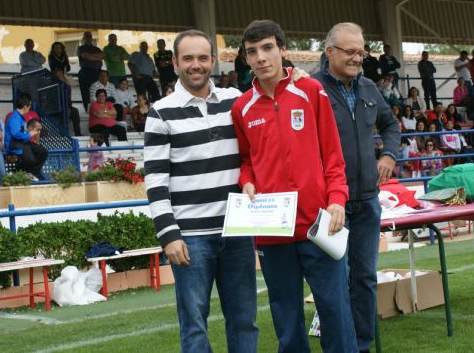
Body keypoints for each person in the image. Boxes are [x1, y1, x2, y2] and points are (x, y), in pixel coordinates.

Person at [233, 20, 357, 352]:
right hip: (272, 229)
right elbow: (246, 161)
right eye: (252, 52)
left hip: (319, 224)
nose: (261, 58)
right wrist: (246, 183)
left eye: (268, 48)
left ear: (282, 50)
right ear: (246, 59)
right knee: (286, 318)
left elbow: (333, 155)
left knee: (335, 312)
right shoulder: (241, 108)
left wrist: (337, 200)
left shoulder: (311, 91)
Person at [144, 29, 258, 352]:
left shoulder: (235, 100)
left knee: (244, 320)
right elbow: (155, 181)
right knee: (194, 326)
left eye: (203, 58)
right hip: (190, 238)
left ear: (213, 61)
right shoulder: (160, 112)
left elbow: (269, 97)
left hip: (237, 231)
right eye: (189, 58)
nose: (197, 65)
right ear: (175, 63)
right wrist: (169, 235)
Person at [314, 22, 400, 353]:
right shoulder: (311, 89)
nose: (356, 58)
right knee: (333, 281)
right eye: (349, 52)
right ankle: (337, 345)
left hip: (366, 201)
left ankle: (361, 346)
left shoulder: (367, 87)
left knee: (364, 279)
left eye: (361, 52)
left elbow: (390, 125)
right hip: (330, 204)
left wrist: (389, 154)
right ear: (330, 51)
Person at [4, 96, 48, 181]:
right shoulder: (15, 117)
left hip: (23, 142)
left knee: (43, 152)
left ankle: (31, 173)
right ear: (25, 107)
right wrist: (29, 134)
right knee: (30, 160)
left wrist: (31, 133)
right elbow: (15, 134)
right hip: (14, 144)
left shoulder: (21, 117)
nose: (29, 109)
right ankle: (14, 172)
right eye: (29, 107)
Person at [77, 31, 104, 111]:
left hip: (98, 72)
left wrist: (91, 57)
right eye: (87, 36)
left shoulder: (97, 48)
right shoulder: (81, 48)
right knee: (86, 93)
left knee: (99, 91)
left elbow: (103, 55)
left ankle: (100, 109)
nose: (88, 38)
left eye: (90, 36)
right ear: (83, 38)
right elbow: (86, 56)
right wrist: (96, 57)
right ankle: (88, 111)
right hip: (86, 72)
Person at [53, 68, 82, 136]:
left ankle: (77, 133)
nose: (60, 77)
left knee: (75, 111)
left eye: (61, 75)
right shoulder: (52, 87)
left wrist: (68, 107)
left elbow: (68, 100)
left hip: (66, 107)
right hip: (56, 108)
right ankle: (61, 134)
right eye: (58, 76)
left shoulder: (67, 87)